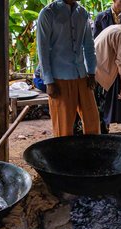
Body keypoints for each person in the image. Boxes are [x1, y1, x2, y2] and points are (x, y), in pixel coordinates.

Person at [36, 0, 100, 137]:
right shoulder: (48, 13)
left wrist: (91, 73)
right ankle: (63, 156)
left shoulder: (82, 13)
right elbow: (42, 49)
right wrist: (48, 81)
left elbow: (89, 45)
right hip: (59, 78)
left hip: (82, 76)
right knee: (63, 127)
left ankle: (93, 153)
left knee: (93, 121)